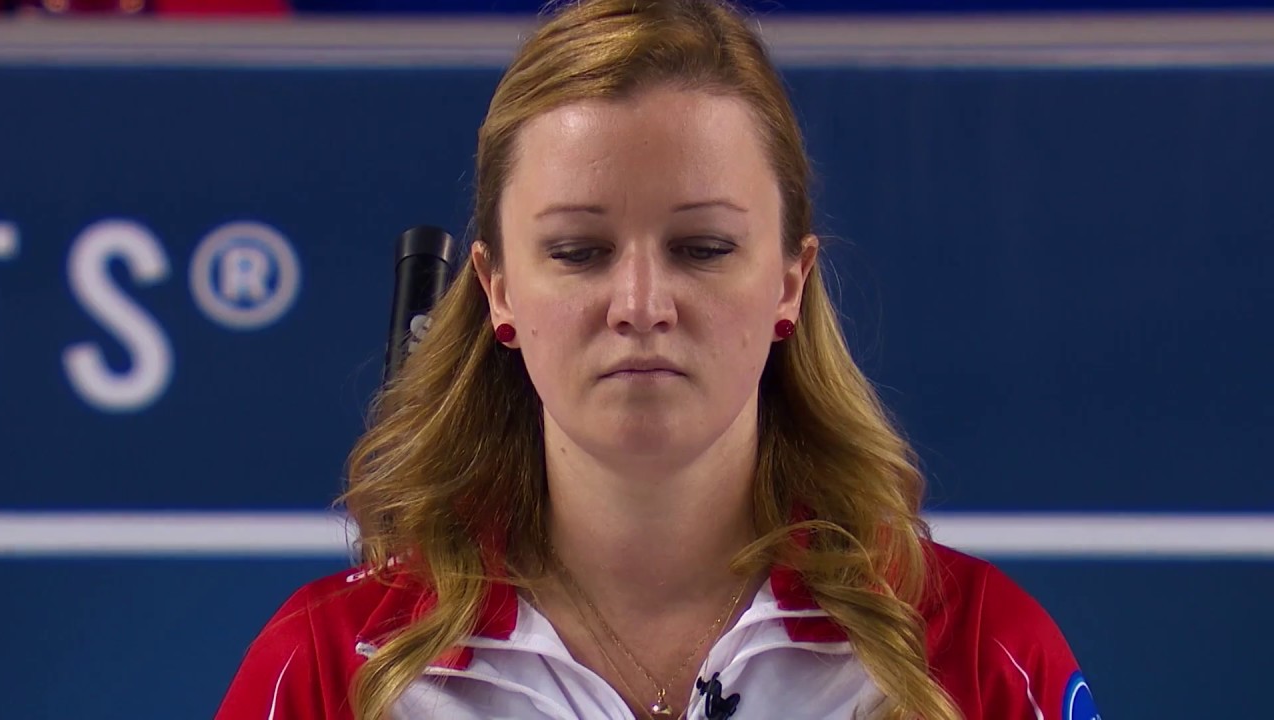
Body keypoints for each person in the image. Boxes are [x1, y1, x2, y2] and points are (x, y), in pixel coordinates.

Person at [215, 1, 1099, 718]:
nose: (641, 306)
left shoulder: (978, 652)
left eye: (703, 247)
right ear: (498, 290)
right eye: (578, 252)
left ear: (791, 282)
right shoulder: (330, 669)